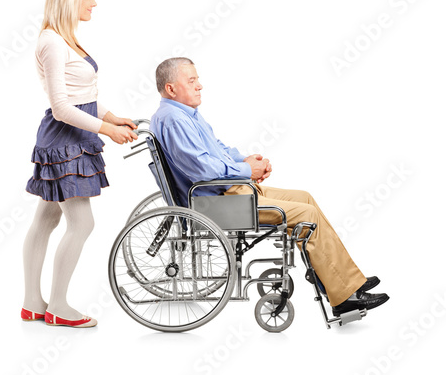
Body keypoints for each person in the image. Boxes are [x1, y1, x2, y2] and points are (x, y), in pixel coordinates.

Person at [150, 57, 389, 316]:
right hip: (216, 202)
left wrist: (247, 161)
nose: (200, 86)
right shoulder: (174, 119)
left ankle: (342, 280)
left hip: (230, 192)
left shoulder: (186, 114)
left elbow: (218, 150)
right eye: (192, 81)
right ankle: (344, 297)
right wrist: (246, 171)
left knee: (305, 198)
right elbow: (203, 170)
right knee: (306, 216)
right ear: (171, 89)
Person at [22, 0, 138, 328]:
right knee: (81, 222)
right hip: (65, 140)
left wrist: (112, 116)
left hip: (72, 136)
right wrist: (105, 129)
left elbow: (82, 97)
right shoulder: (53, 43)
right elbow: (61, 107)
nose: (95, 2)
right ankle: (57, 306)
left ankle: (32, 303)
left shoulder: (63, 38)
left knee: (48, 216)